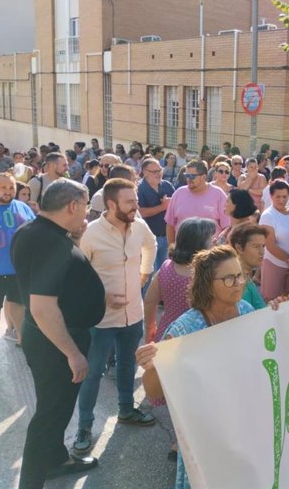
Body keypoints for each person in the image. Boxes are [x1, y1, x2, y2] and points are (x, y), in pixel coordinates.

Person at [135, 246, 258, 489]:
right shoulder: (185, 330)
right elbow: (155, 392)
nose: (238, 283)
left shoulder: (246, 311)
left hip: (243, 426)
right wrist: (151, 366)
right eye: (228, 277)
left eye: (241, 275)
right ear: (207, 283)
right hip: (205, 437)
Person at [12, 179, 105, 487]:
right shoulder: (49, 242)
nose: (87, 214)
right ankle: (31, 482)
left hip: (47, 338)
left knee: (55, 407)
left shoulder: (34, 231)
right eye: (86, 205)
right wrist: (73, 354)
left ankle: (55, 459)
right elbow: (42, 307)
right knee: (49, 418)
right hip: (57, 344)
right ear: (72, 206)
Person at [73, 178, 157, 454]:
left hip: (133, 314)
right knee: (93, 373)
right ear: (111, 204)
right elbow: (76, 275)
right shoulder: (90, 234)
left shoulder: (139, 226)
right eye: (130, 202)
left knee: (126, 366)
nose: (136, 206)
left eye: (135, 200)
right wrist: (100, 298)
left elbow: (151, 244)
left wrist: (145, 273)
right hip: (100, 320)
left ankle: (126, 410)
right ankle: (84, 427)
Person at [144, 217, 217, 343]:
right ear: (199, 243)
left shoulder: (167, 267)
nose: (215, 240)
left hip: (168, 332)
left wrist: (150, 326)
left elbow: (150, 301)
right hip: (199, 336)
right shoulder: (209, 272)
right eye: (211, 238)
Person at [0, 173, 36, 349]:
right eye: (3, 187)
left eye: (11, 187)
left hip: (17, 269)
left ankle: (23, 341)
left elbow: (35, 232)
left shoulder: (22, 207)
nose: (8, 191)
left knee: (18, 305)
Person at [259, 180, 289, 301]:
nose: (281, 200)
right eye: (278, 197)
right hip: (275, 265)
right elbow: (270, 245)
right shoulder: (267, 216)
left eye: (284, 196)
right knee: (272, 301)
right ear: (271, 196)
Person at [165, 160, 230, 244]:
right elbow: (170, 224)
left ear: (203, 177)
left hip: (209, 254)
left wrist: (219, 249)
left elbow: (227, 227)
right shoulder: (179, 193)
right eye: (186, 175)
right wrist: (172, 248)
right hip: (182, 253)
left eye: (192, 176)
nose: (188, 179)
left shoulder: (219, 194)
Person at [138, 157, 176, 288]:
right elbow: (140, 213)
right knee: (147, 276)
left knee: (165, 274)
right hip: (148, 241)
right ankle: (145, 305)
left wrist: (170, 204)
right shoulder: (139, 189)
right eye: (154, 171)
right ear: (145, 172)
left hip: (166, 237)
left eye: (159, 170)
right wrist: (163, 207)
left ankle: (162, 302)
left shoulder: (167, 185)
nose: (158, 173)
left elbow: (176, 205)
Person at [229, 223, 268, 309]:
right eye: (256, 246)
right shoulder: (236, 284)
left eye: (263, 246)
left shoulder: (245, 277)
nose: (262, 252)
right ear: (239, 248)